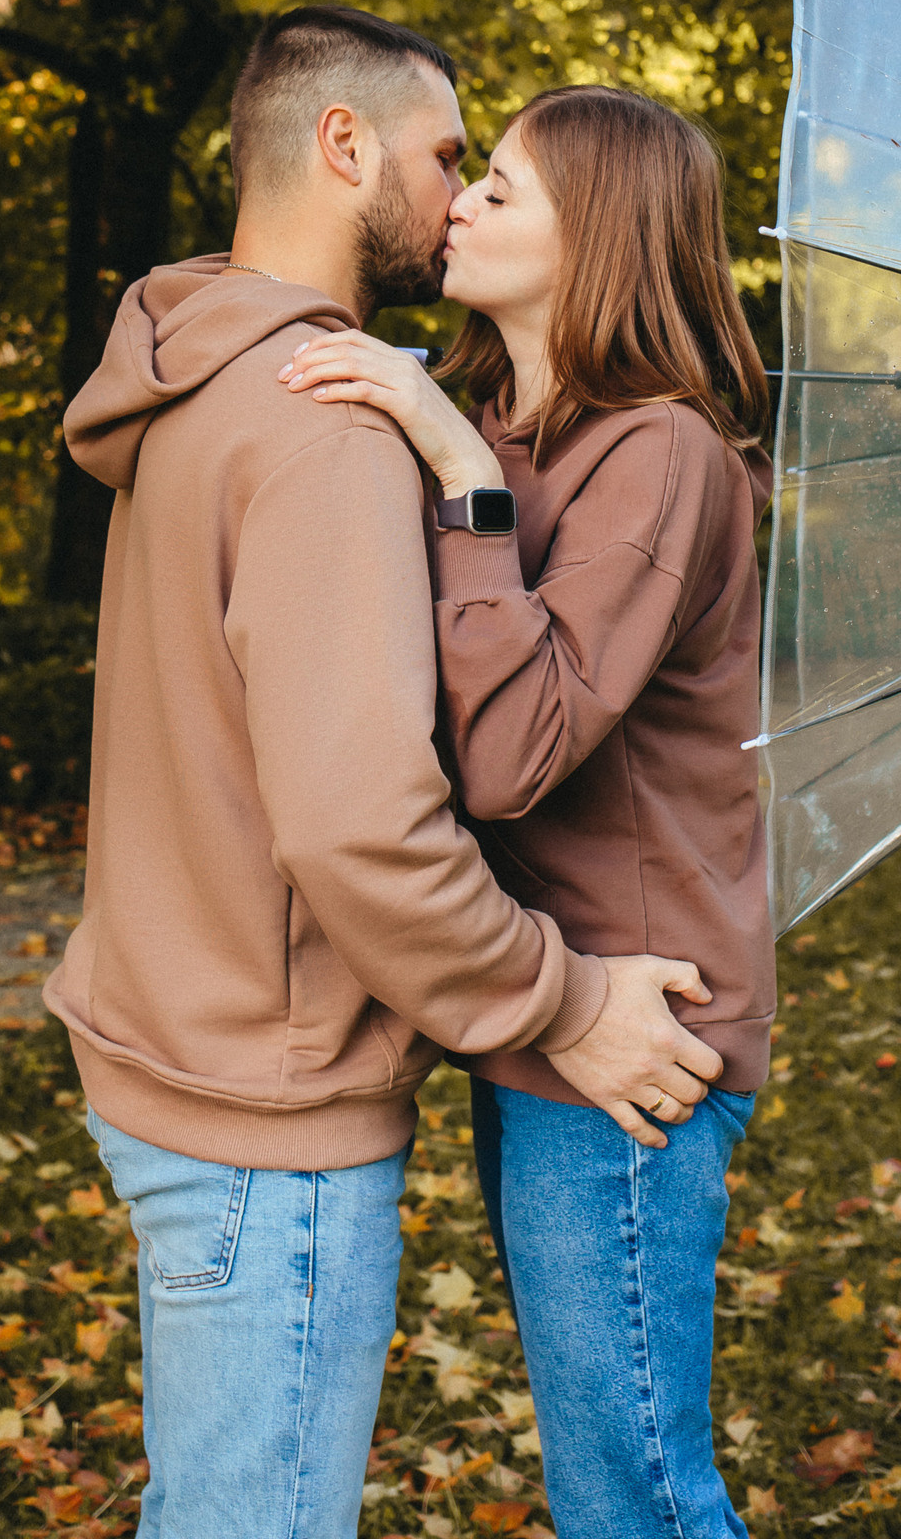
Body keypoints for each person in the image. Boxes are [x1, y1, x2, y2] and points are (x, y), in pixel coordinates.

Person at [44, 11, 726, 1539]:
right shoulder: (330, 432)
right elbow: (363, 828)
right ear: (342, 147)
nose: (456, 194)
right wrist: (563, 1002)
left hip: (172, 1048)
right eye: (444, 156)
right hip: (263, 1096)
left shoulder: (191, 374)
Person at [282, 83, 776, 1539]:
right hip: (542, 1001)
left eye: (503, 187)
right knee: (605, 1468)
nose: (463, 203)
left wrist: (458, 477)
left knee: (634, 1489)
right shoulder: (501, 416)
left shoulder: (661, 452)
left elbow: (511, 752)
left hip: (637, 1022)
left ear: (597, 237)